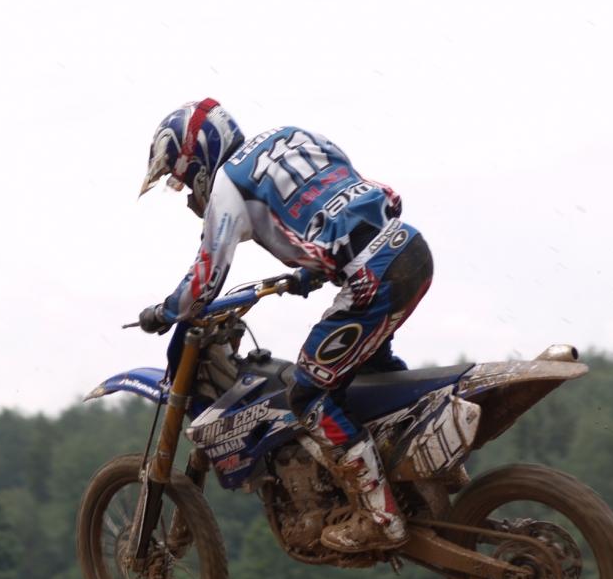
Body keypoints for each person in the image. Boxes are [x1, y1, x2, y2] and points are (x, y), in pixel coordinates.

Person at [137, 98, 433, 553]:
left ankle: (381, 518)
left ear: (196, 160)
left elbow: (205, 280)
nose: (189, 197)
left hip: (371, 280)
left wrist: (165, 311)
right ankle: (422, 481)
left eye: (182, 181)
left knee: (307, 393)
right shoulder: (296, 137)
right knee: (373, 376)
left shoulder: (228, 183)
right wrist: (311, 272)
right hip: (409, 247)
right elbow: (348, 204)